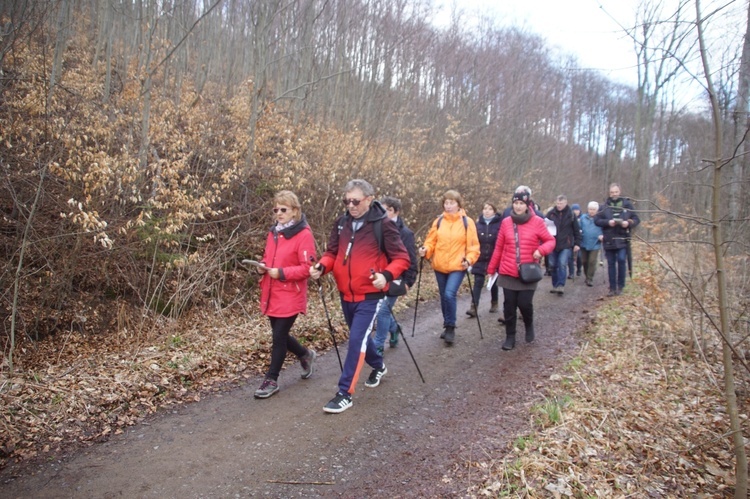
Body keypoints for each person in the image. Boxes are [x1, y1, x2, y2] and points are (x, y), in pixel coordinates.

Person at [310, 179, 410, 414]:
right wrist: (322, 267)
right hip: (346, 295)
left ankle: (344, 393)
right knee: (361, 339)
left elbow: (402, 258)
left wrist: (386, 276)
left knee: (356, 340)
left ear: (368, 199)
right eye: (347, 201)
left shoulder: (383, 225)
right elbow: (332, 253)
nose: (351, 205)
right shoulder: (341, 223)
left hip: (370, 295)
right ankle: (378, 365)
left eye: (355, 201)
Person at [254, 190, 318, 399]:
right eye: (276, 209)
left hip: (291, 293)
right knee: (280, 334)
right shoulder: (273, 233)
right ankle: (305, 355)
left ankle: (271, 380)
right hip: (272, 292)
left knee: (279, 335)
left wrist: (281, 273)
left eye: (284, 209)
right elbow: (267, 257)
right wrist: (262, 266)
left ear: (295, 211)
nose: (279, 213)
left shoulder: (304, 234)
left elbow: (307, 268)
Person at [486, 188, 556, 350]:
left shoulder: (537, 222)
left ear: (527, 205)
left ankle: (529, 324)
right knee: (509, 305)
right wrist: (491, 268)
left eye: (521, 203)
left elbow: (550, 241)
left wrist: (541, 251)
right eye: (515, 203)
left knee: (524, 304)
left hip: (528, 272)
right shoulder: (506, 223)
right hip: (508, 271)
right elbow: (499, 247)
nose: (518, 207)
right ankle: (510, 337)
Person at [418, 190, 480, 345]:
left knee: (449, 294)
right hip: (439, 265)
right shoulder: (438, 221)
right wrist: (425, 250)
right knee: (444, 297)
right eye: (446, 203)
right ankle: (446, 324)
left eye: (452, 203)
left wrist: (469, 259)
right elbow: (431, 241)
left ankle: (451, 327)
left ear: (459, 204)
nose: (449, 206)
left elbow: (473, 247)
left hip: (458, 265)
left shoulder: (467, 222)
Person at [372, 196, 418, 355]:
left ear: (396, 211)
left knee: (383, 311)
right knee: (381, 311)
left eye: (388, 210)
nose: (385, 213)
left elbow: (411, 260)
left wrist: (408, 282)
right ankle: (394, 328)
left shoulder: (405, 233)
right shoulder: (376, 227)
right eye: (383, 210)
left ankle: (378, 345)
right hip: (378, 276)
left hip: (396, 278)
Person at [595, 183, 640, 296]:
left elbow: (636, 219)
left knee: (621, 260)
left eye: (616, 192)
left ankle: (621, 286)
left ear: (619, 192)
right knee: (610, 263)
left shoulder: (627, 204)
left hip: (622, 237)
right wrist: (608, 222)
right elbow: (596, 220)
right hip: (609, 238)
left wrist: (628, 223)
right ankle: (612, 288)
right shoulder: (604, 206)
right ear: (609, 193)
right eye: (612, 192)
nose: (614, 194)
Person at [466, 203, 502, 318]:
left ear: (494, 211)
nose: (487, 211)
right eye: (485, 209)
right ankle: (474, 306)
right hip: (480, 257)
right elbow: (472, 241)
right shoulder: (477, 225)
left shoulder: (499, 224)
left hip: (493, 256)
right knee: (478, 282)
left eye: (490, 209)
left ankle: (494, 302)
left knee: (493, 282)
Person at [545, 195, 581, 295]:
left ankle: (561, 285)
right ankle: (555, 285)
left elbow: (576, 230)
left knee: (562, 264)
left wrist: (577, 243)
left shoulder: (571, 214)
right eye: (557, 203)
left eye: (561, 203)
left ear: (565, 203)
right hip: (552, 243)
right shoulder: (551, 213)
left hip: (566, 244)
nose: (559, 205)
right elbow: (544, 225)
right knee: (553, 265)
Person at [579, 201, 604, 287]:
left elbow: (604, 229)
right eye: (590, 209)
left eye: (593, 209)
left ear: (597, 210)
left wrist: (602, 235)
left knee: (592, 261)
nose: (591, 211)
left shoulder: (600, 219)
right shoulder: (583, 218)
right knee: (584, 261)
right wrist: (579, 232)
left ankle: (590, 278)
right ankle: (587, 275)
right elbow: (578, 227)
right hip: (584, 242)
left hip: (595, 243)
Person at [567, 203, 583, 279]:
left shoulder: (583, 218)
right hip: (570, 239)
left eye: (577, 210)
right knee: (570, 256)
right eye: (574, 210)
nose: (575, 211)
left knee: (579, 256)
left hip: (580, 239)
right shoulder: (570, 217)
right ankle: (571, 272)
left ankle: (579, 268)